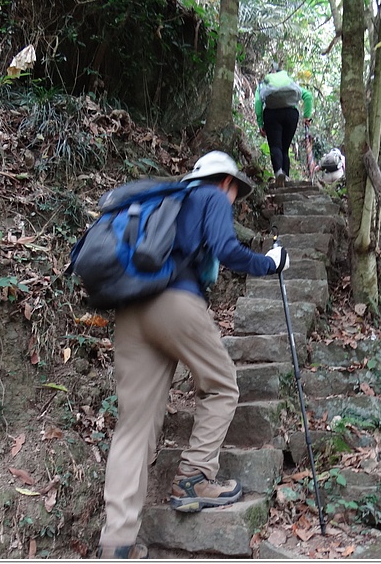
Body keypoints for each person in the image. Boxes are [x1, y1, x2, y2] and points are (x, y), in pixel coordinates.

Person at [95, 151, 290, 559]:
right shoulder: (213, 197)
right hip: (176, 304)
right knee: (221, 385)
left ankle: (117, 542)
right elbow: (227, 249)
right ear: (226, 182)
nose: (234, 198)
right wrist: (269, 263)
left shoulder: (168, 203)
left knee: (134, 426)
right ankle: (193, 478)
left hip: (131, 311)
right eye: (236, 190)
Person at [255, 61, 314, 187]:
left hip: (271, 114)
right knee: (285, 148)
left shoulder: (264, 83)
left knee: (275, 146)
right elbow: (308, 96)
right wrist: (306, 117)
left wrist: (260, 123)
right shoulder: (290, 82)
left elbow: (258, 102)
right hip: (291, 114)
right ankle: (286, 177)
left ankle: (278, 173)